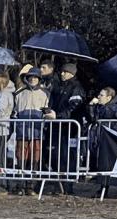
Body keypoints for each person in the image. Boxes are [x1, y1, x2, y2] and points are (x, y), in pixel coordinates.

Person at [47, 63, 85, 194]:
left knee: (67, 157)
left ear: (72, 73)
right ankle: (60, 185)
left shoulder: (76, 88)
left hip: (70, 128)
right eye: (61, 71)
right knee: (56, 156)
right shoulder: (59, 86)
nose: (62, 74)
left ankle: (68, 187)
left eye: (65, 72)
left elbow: (74, 107)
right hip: (58, 127)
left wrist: (57, 116)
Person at [13, 66, 49, 195]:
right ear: (27, 78)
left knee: (35, 160)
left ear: (39, 79)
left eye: (35, 77)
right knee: (21, 158)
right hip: (22, 132)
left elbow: (48, 112)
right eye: (31, 77)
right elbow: (14, 113)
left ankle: (31, 186)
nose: (33, 79)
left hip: (37, 133)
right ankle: (20, 186)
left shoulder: (46, 93)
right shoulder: (19, 93)